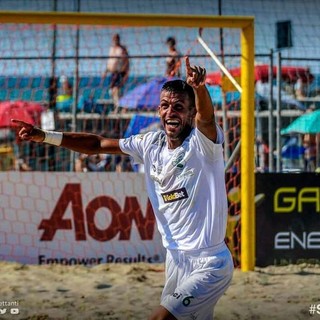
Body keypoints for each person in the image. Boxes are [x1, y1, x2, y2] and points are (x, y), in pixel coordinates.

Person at [12, 56, 234, 320]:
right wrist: (44, 135)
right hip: (175, 261)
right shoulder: (150, 143)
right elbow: (97, 145)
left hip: (209, 262)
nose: (170, 111)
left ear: (189, 113)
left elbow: (207, 119)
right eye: (165, 106)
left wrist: (199, 89)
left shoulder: (203, 146)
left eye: (178, 107)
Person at [103, 33, 130, 113]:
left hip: (119, 72)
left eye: (116, 38)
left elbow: (127, 62)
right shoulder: (111, 49)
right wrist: (105, 71)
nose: (115, 40)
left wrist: (125, 73)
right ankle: (122, 106)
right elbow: (109, 61)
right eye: (114, 39)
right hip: (112, 73)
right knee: (112, 91)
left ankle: (118, 108)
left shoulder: (122, 49)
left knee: (116, 90)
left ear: (119, 39)